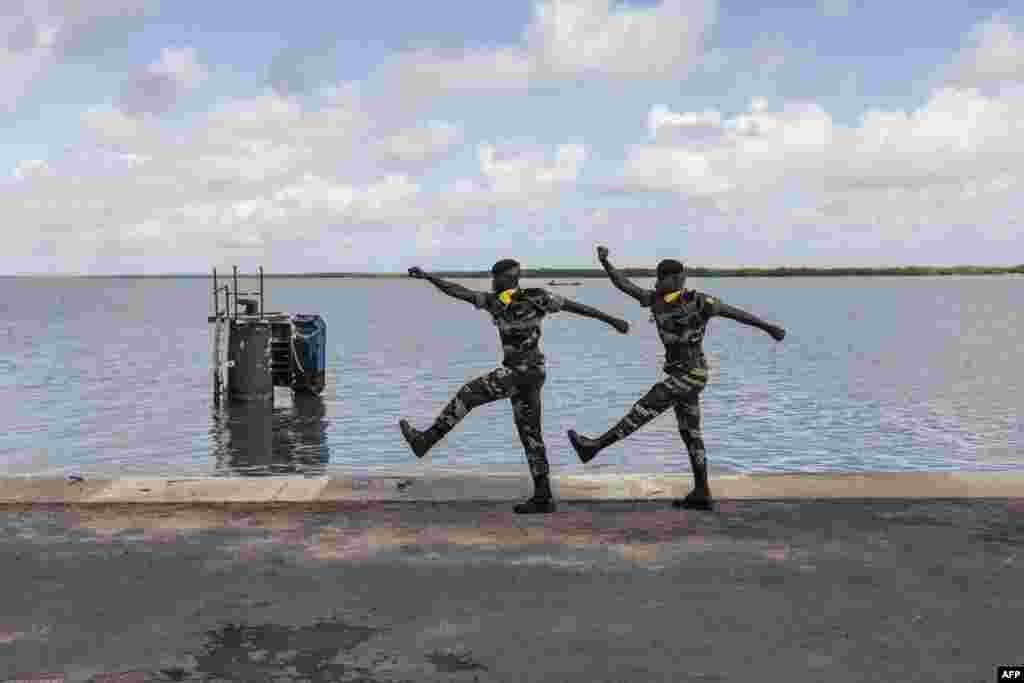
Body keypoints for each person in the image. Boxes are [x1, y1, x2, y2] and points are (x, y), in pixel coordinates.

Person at [401, 259, 631, 514]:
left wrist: (611, 320)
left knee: (469, 393)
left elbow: (575, 307)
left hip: (520, 372)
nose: (492, 281)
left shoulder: (535, 298)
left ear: (507, 278)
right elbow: (458, 291)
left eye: (496, 277)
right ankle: (543, 496)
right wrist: (429, 277)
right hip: (532, 374)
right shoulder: (497, 301)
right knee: (530, 435)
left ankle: (425, 440)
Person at [567, 246, 786, 511]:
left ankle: (595, 446)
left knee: (645, 407)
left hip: (692, 373)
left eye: (682, 278)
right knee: (690, 433)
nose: (681, 282)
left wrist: (768, 327)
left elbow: (734, 313)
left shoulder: (699, 301)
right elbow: (624, 285)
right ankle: (702, 493)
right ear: (665, 278)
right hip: (681, 375)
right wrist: (606, 262)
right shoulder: (655, 300)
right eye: (677, 278)